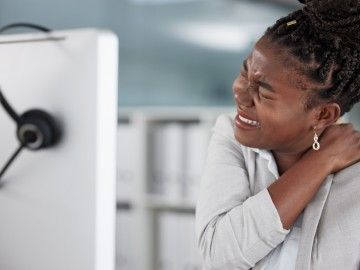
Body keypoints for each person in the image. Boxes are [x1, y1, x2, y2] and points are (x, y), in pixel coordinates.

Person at [195, 0, 360, 269]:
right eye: (244, 72)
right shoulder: (232, 135)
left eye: (263, 91)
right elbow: (218, 254)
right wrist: (322, 160)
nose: (239, 92)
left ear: (322, 115)